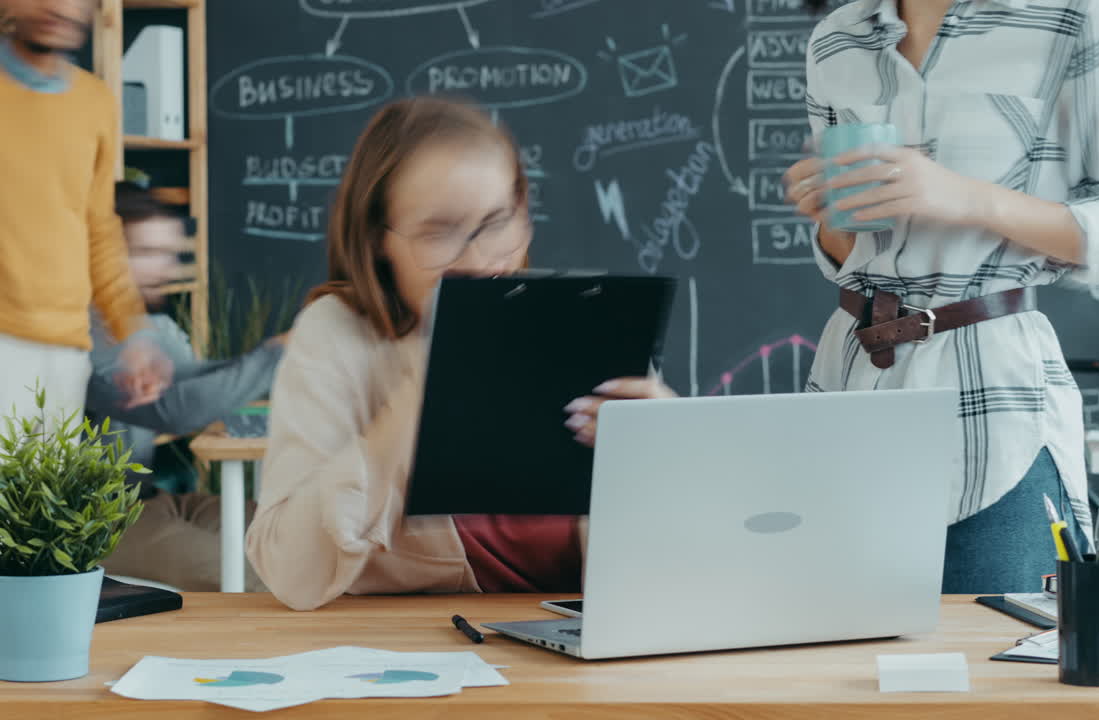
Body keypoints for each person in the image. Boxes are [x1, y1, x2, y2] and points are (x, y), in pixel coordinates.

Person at [786, 0, 1099, 592]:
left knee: (996, 645)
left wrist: (967, 198)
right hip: (849, 390)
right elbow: (854, 251)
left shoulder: (1080, 15)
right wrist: (827, 215)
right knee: (842, 645)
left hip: (993, 409)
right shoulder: (837, 37)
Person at [246, 97, 673, 611]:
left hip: (589, 636)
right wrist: (410, 411)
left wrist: (667, 452)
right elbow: (288, 572)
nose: (477, 258)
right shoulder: (337, 334)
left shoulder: (585, 321)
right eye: (439, 231)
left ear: (524, 216)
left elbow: (677, 563)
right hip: (420, 644)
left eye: (496, 222)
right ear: (378, 239)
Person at [90, 182, 284, 592]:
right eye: (146, 252)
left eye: (169, 253)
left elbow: (191, 377)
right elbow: (174, 410)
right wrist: (275, 355)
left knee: (295, 533)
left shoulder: (147, 330)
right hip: (95, 523)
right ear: (102, 255)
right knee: (265, 577)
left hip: (145, 501)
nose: (163, 267)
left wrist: (278, 350)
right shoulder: (84, 332)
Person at [0, 0, 170, 424]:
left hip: (67, 353)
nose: (60, 6)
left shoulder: (95, 102)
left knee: (52, 472)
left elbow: (99, 229)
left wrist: (134, 334)